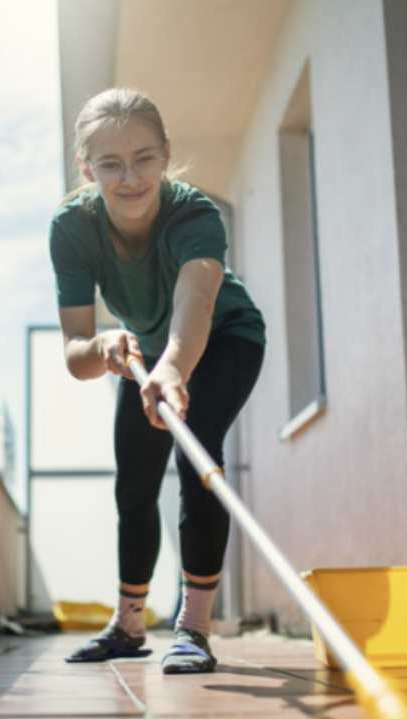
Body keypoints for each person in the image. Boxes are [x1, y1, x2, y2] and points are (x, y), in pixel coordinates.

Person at [48, 88, 265, 674]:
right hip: (143, 351)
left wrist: (173, 369)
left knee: (199, 457)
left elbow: (194, 309)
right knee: (134, 483)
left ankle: (194, 627)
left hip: (224, 340)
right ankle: (129, 624)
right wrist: (104, 346)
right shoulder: (72, 228)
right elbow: (76, 353)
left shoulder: (194, 215)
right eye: (110, 163)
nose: (129, 178)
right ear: (86, 167)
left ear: (166, 154)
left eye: (144, 157)